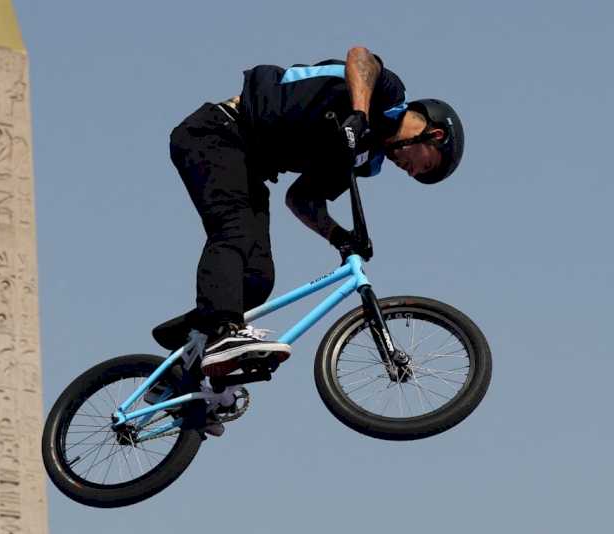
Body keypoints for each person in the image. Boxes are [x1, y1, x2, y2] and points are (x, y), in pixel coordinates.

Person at [152, 46, 465, 378]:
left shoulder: (363, 158)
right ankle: (223, 329)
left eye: (415, 175)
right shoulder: (387, 96)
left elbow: (303, 198)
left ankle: (180, 364)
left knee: (258, 279)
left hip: (247, 167)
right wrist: (358, 114)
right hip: (218, 132)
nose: (411, 171)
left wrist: (338, 236)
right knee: (234, 231)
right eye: (424, 164)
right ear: (434, 133)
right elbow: (360, 57)